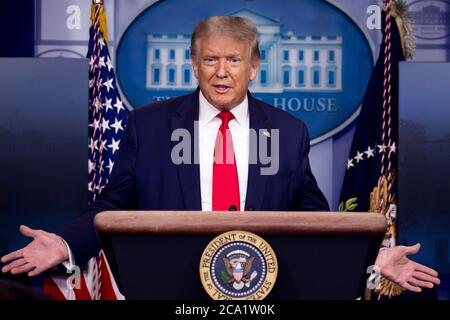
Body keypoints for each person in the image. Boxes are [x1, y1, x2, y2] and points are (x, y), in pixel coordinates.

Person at [1, 16, 440, 294]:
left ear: (253, 67)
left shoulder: (288, 132)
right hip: (171, 289)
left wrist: (372, 255)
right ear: (194, 64)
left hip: (261, 289)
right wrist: (63, 242)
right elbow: (112, 206)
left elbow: (314, 221)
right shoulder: (150, 127)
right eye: (210, 59)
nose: (222, 71)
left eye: (234, 59)